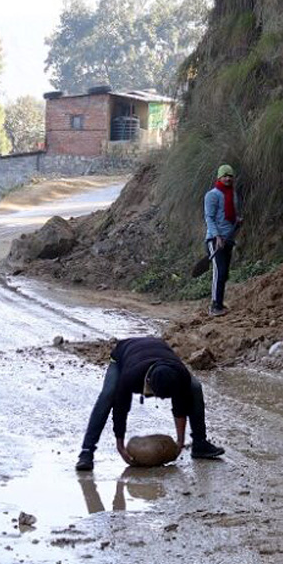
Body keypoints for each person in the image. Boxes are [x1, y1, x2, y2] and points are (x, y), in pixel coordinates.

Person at [75, 336, 225, 471]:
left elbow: (180, 407)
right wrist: (120, 445)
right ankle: (86, 452)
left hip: (159, 351)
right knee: (107, 396)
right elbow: (120, 408)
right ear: (148, 383)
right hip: (124, 353)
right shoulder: (130, 377)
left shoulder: (180, 374)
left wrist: (180, 441)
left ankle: (200, 444)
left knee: (195, 387)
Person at [202, 164, 242, 317]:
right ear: (219, 178)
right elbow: (209, 218)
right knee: (219, 272)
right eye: (224, 176)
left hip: (229, 239)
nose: (227, 178)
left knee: (225, 274)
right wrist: (217, 236)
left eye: (230, 176)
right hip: (215, 240)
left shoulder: (232, 194)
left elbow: (231, 216)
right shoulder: (212, 195)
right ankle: (214, 306)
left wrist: (237, 221)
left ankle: (219, 302)